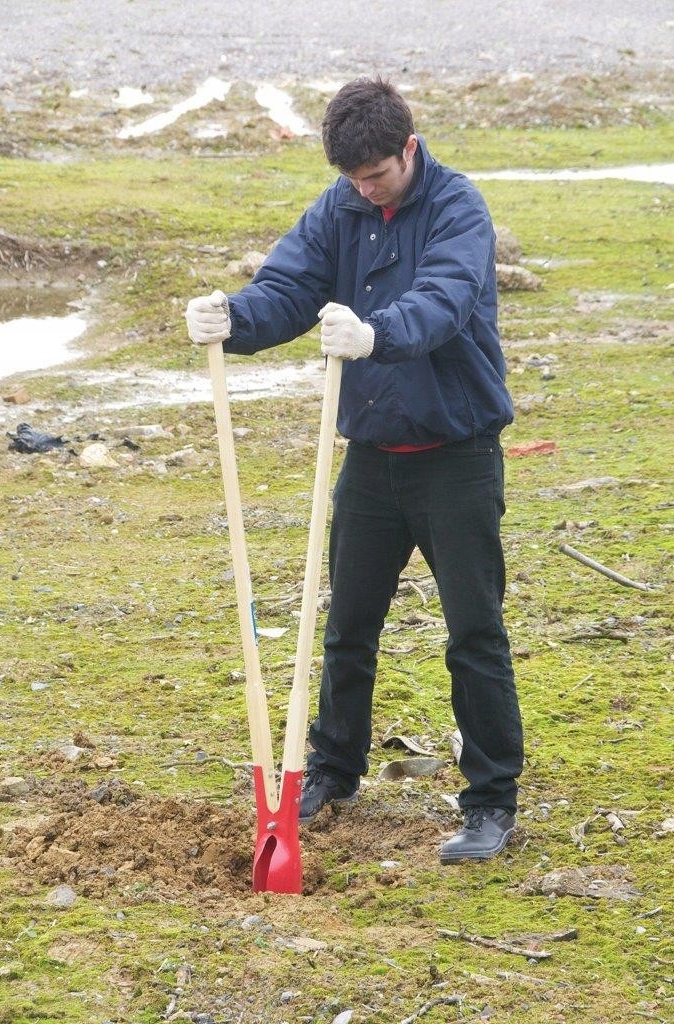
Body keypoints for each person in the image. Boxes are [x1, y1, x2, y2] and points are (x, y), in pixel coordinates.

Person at [185, 77, 524, 863]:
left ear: (408, 149)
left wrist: (374, 334)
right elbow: (287, 287)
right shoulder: (339, 208)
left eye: (376, 176)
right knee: (344, 630)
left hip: (456, 457)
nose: (365, 191)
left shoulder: (457, 208)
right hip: (372, 458)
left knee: (473, 633)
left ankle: (490, 803)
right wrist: (232, 318)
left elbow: (444, 299)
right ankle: (331, 771)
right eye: (352, 180)